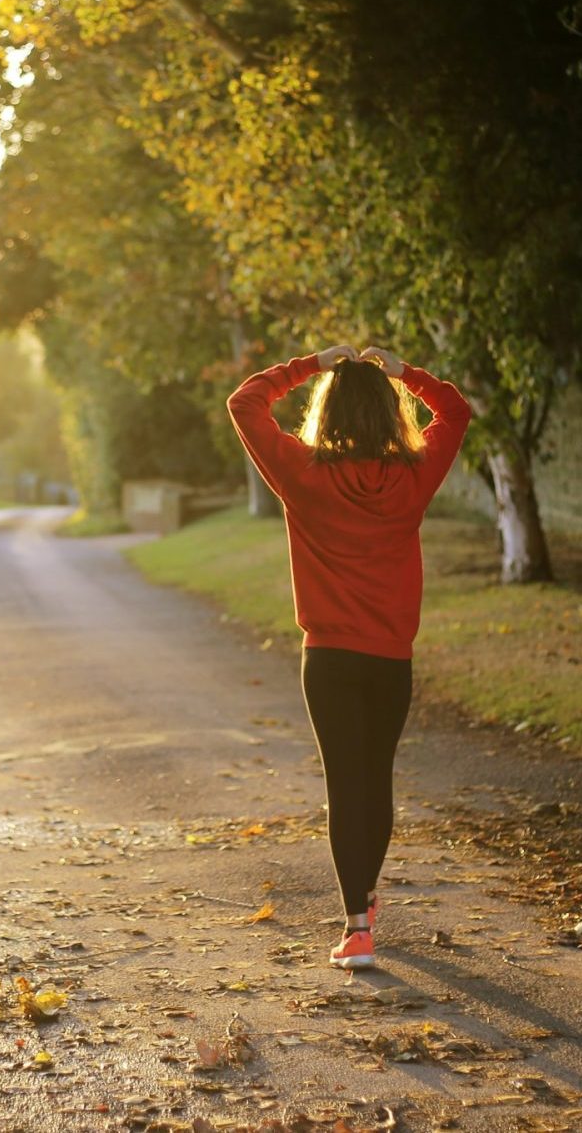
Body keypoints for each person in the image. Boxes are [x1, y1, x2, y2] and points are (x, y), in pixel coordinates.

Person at [226, 343, 472, 969]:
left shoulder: (303, 474)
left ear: (327, 412)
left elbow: (245, 402)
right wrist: (405, 374)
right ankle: (362, 897)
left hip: (329, 659)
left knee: (345, 784)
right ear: (390, 415)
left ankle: (357, 926)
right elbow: (457, 410)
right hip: (390, 658)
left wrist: (311, 364)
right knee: (376, 779)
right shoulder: (414, 476)